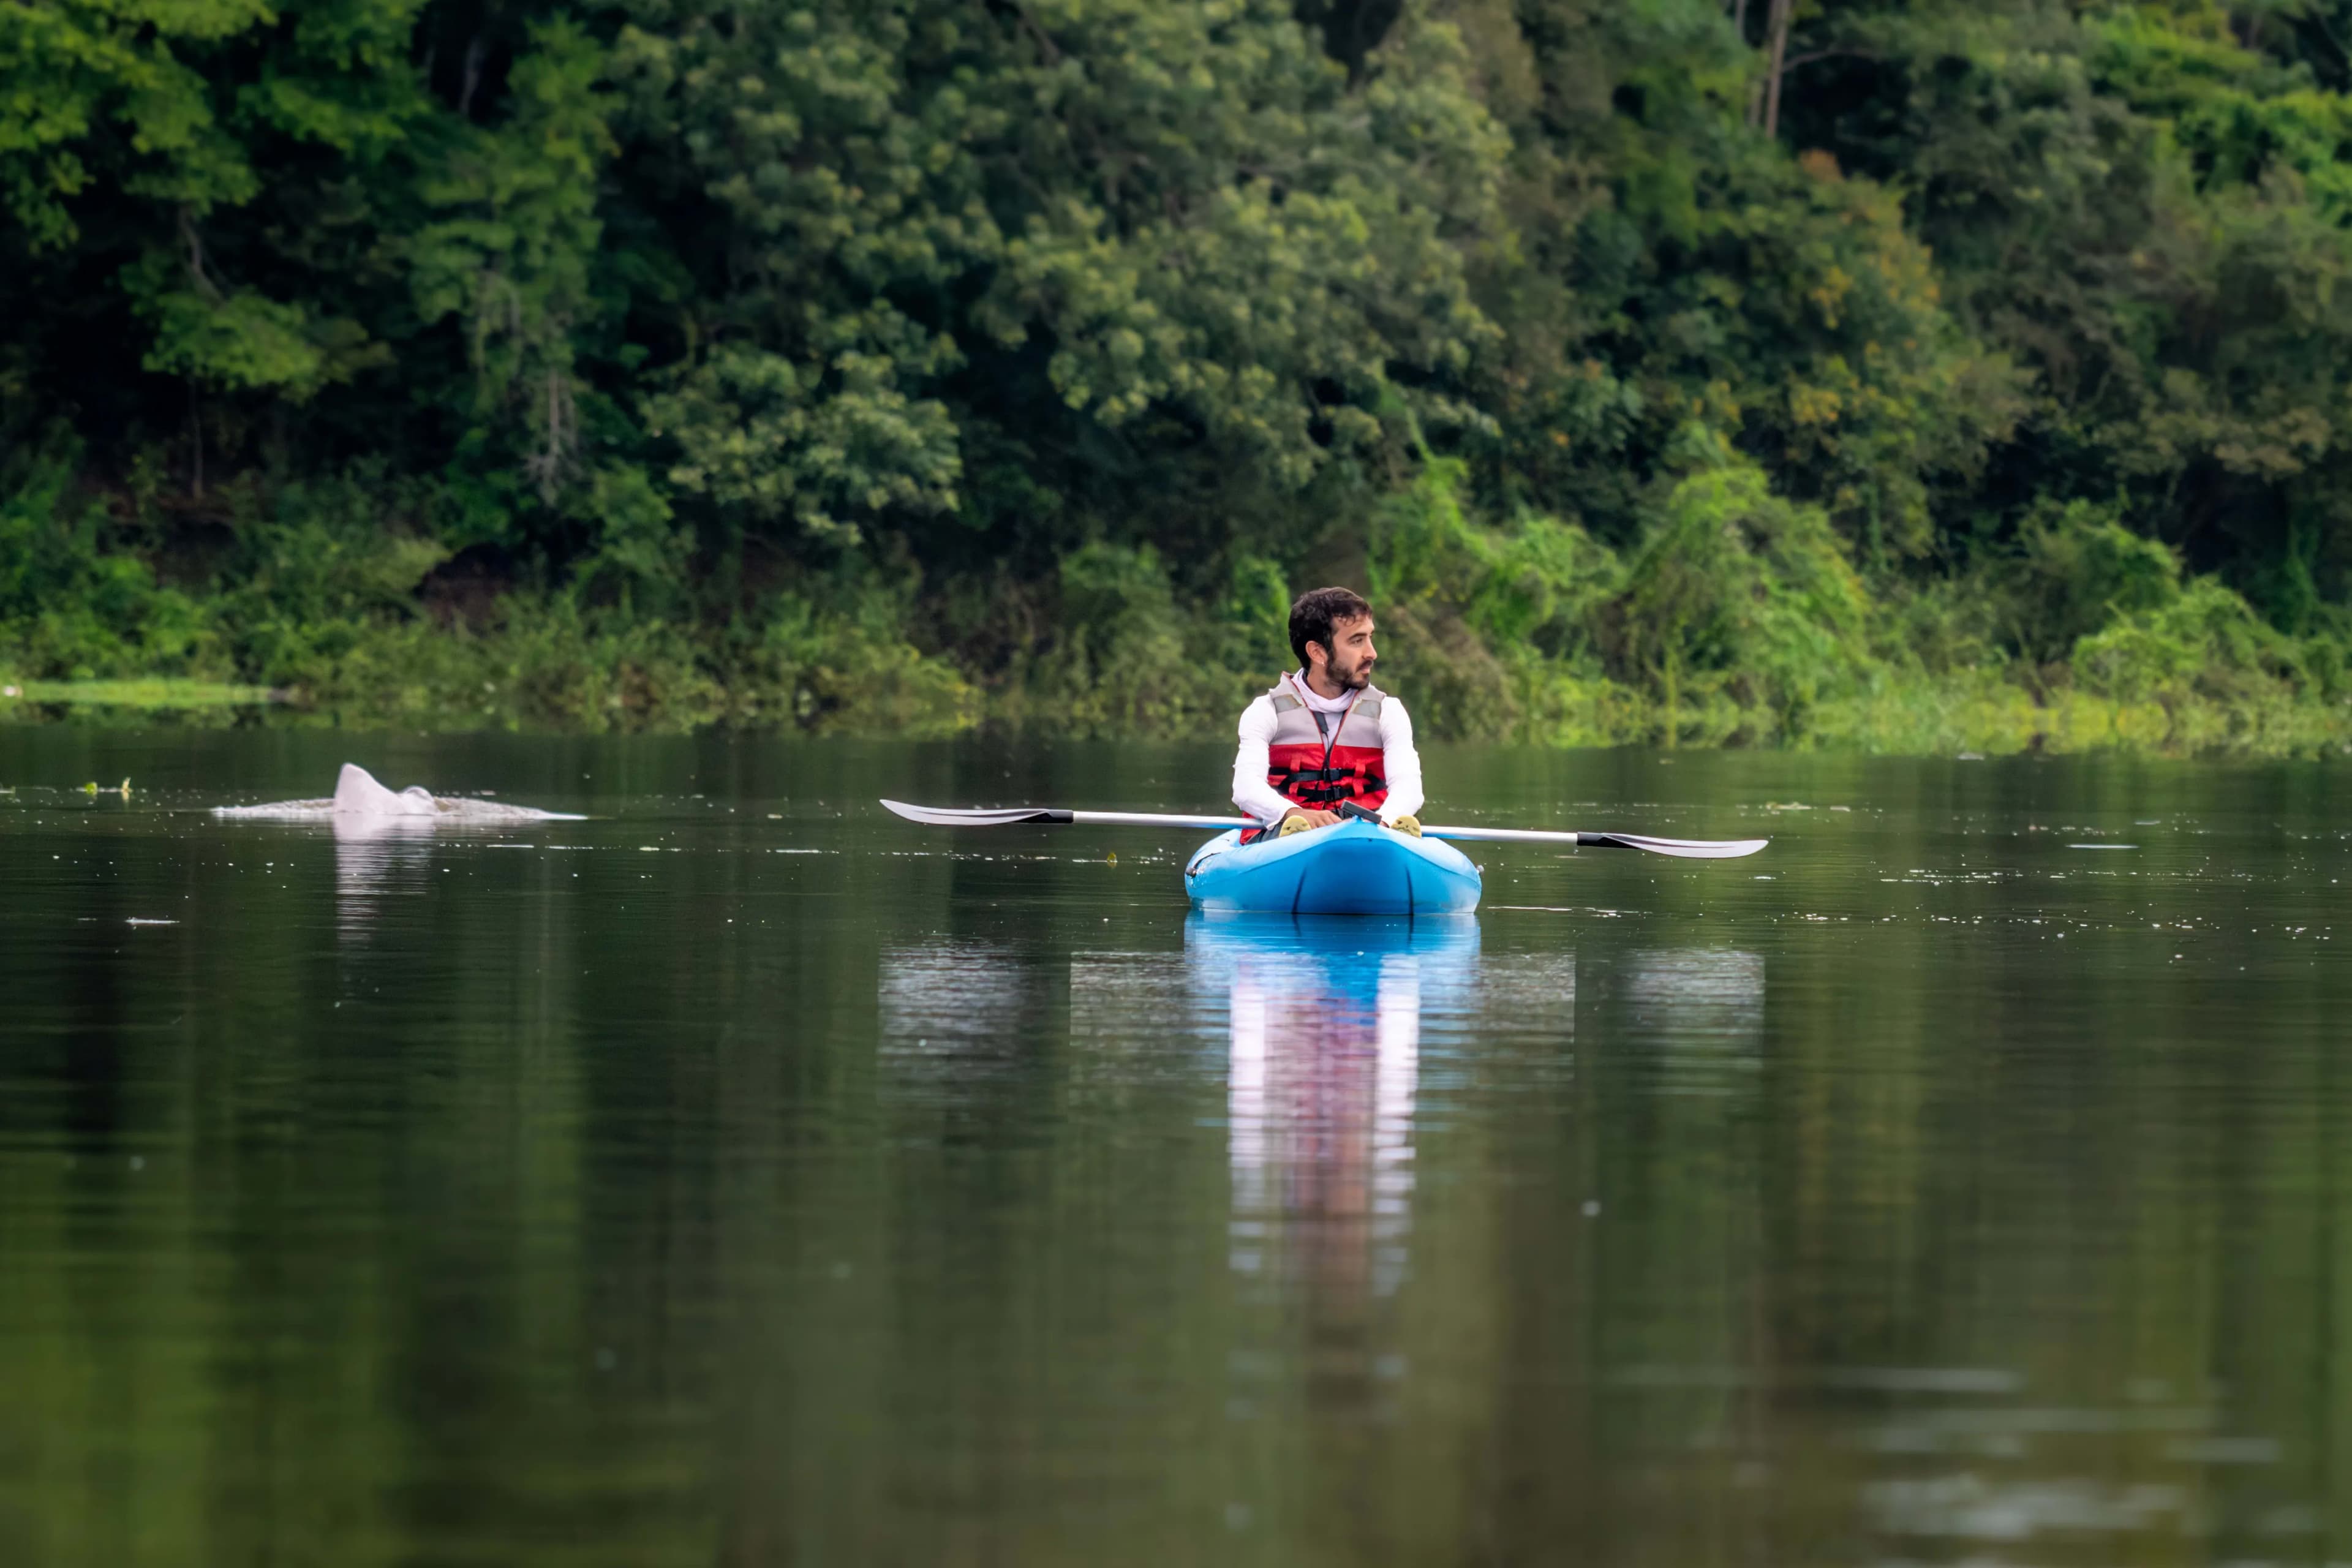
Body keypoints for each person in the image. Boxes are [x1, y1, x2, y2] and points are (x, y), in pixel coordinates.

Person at [1231, 587, 1424, 840]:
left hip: (1371, 836)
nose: (1372, 653)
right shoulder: (1265, 712)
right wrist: (1292, 812)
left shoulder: (1389, 712)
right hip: (1282, 838)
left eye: (1370, 638)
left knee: (1382, 833)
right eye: (1357, 641)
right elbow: (1245, 788)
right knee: (1295, 833)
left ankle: (1391, 843)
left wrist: (1384, 823)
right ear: (1318, 653)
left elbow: (1409, 787)